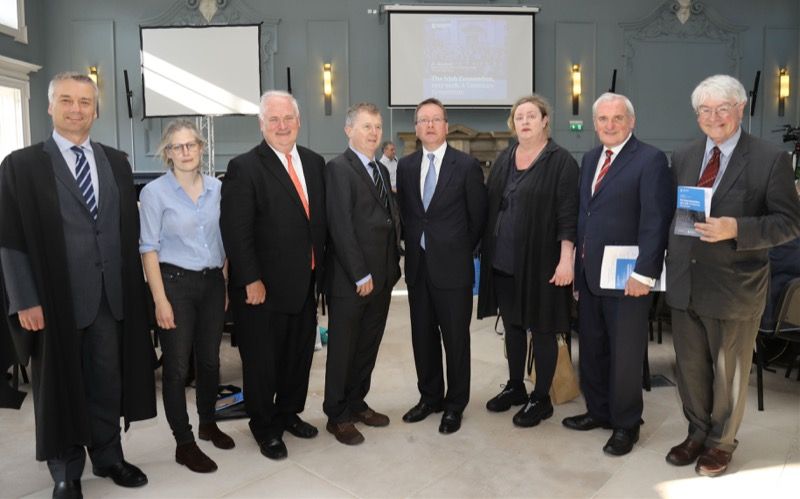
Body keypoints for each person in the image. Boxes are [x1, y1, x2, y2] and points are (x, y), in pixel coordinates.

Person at [0, 71, 156, 499]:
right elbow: (9, 240)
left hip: (110, 298)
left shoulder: (116, 162)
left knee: (108, 381)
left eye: (85, 101)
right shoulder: (21, 165)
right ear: (49, 106)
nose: (76, 109)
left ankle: (108, 456)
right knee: (59, 386)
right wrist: (24, 300)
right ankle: (65, 470)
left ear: (95, 109)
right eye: (66, 100)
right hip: (53, 300)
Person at [665, 74, 800, 477]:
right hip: (685, 283)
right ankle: (697, 431)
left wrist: (737, 228)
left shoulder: (770, 159)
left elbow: (789, 223)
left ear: (741, 108)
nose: (714, 117)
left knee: (729, 374)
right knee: (689, 367)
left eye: (723, 108)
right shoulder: (685, 155)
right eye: (705, 110)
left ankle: (722, 442)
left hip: (735, 287)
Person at [563, 92, 674, 456]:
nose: (610, 125)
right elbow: (585, 217)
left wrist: (644, 274)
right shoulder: (592, 158)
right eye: (603, 119)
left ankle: (626, 424)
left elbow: (655, 220)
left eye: (617, 118)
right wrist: (578, 274)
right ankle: (598, 411)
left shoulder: (651, 160)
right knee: (593, 348)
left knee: (625, 355)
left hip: (629, 280)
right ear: (594, 124)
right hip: (593, 275)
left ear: (631, 122)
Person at [220, 90, 327, 461]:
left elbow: (318, 223)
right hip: (262, 289)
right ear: (262, 125)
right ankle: (265, 426)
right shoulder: (244, 167)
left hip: (305, 283)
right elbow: (236, 230)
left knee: (298, 357)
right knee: (263, 363)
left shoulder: (314, 163)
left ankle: (288, 413)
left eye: (288, 119)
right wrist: (250, 279)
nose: (282, 126)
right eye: (274, 120)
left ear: (298, 121)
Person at [477, 95, 578, 427]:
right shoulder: (507, 155)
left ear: (545, 120)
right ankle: (516, 386)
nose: (524, 121)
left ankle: (541, 398)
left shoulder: (561, 161)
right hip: (505, 261)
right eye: (519, 116)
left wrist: (567, 261)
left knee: (544, 330)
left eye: (531, 115)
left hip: (543, 263)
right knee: (513, 327)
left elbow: (568, 215)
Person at [139, 119, 234, 474]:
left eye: (191, 145)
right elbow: (148, 249)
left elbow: (224, 240)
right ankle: (184, 442)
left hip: (212, 283)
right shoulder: (154, 194)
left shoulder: (217, 189)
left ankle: (208, 423)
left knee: (209, 361)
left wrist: (223, 281)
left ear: (201, 148)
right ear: (168, 153)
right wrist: (160, 300)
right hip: (174, 285)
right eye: (177, 147)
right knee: (177, 368)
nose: (185, 152)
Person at [396, 98, 487, 434]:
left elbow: (478, 217)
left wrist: (458, 249)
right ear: (416, 128)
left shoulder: (465, 166)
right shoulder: (405, 167)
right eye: (423, 120)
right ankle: (429, 397)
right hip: (418, 268)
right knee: (422, 337)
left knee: (455, 340)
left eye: (436, 120)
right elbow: (408, 214)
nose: (430, 125)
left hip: (453, 269)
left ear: (446, 126)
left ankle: (455, 404)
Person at [323, 102, 401, 445]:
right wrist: (359, 275)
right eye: (366, 126)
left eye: (378, 127)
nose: (373, 133)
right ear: (348, 130)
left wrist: (392, 269)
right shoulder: (338, 169)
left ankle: (356, 402)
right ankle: (336, 414)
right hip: (352, 281)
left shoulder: (380, 170)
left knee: (368, 345)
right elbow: (340, 227)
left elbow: (387, 219)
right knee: (344, 349)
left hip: (382, 277)